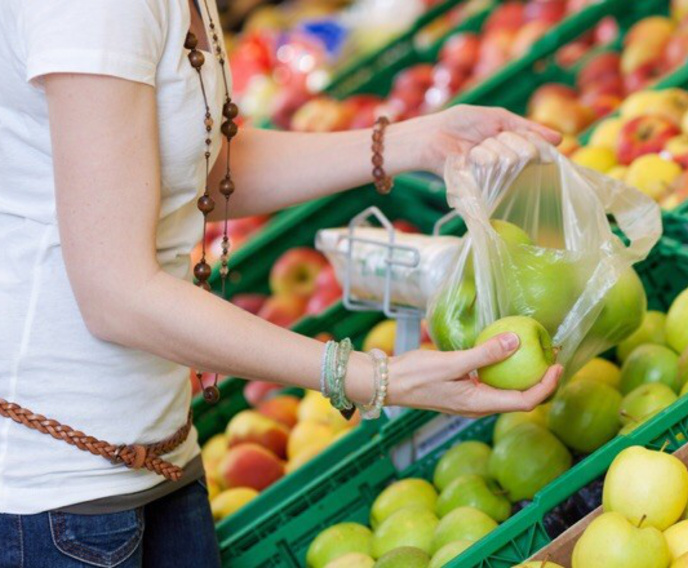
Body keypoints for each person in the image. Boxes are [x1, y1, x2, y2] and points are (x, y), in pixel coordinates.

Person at [0, 1, 563, 565]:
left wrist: (418, 142)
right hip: (61, 487)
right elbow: (116, 295)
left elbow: (205, 164)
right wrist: (366, 375)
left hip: (159, 446)